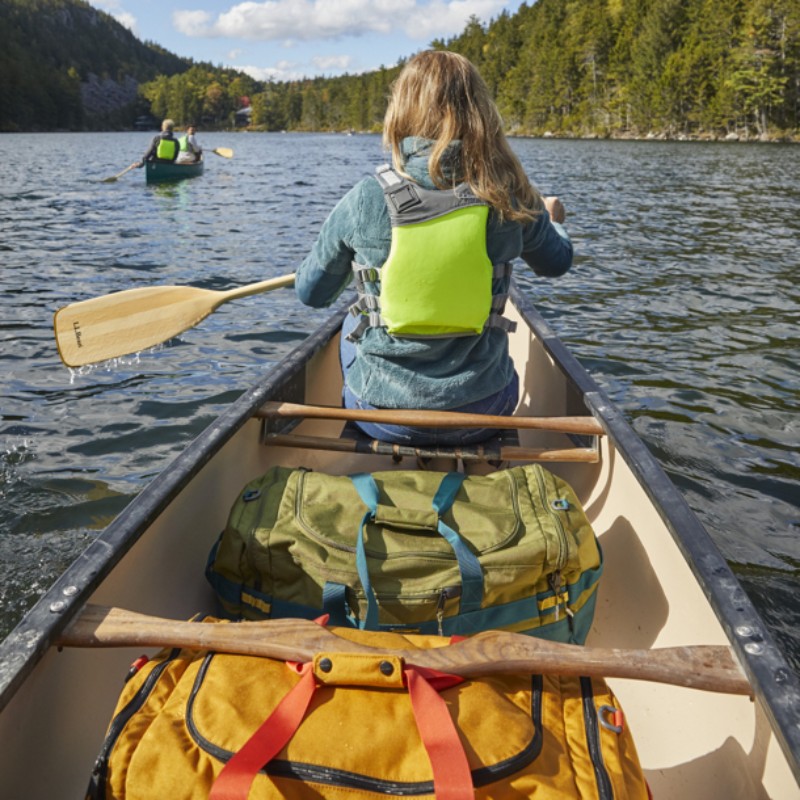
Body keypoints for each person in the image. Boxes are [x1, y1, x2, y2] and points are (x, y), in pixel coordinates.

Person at [295, 50, 573, 447]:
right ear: (480, 111)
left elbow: (311, 294)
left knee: (347, 321)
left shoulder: (365, 198)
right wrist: (553, 221)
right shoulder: (510, 193)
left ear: (402, 110)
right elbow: (556, 263)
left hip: (382, 416)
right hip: (485, 409)